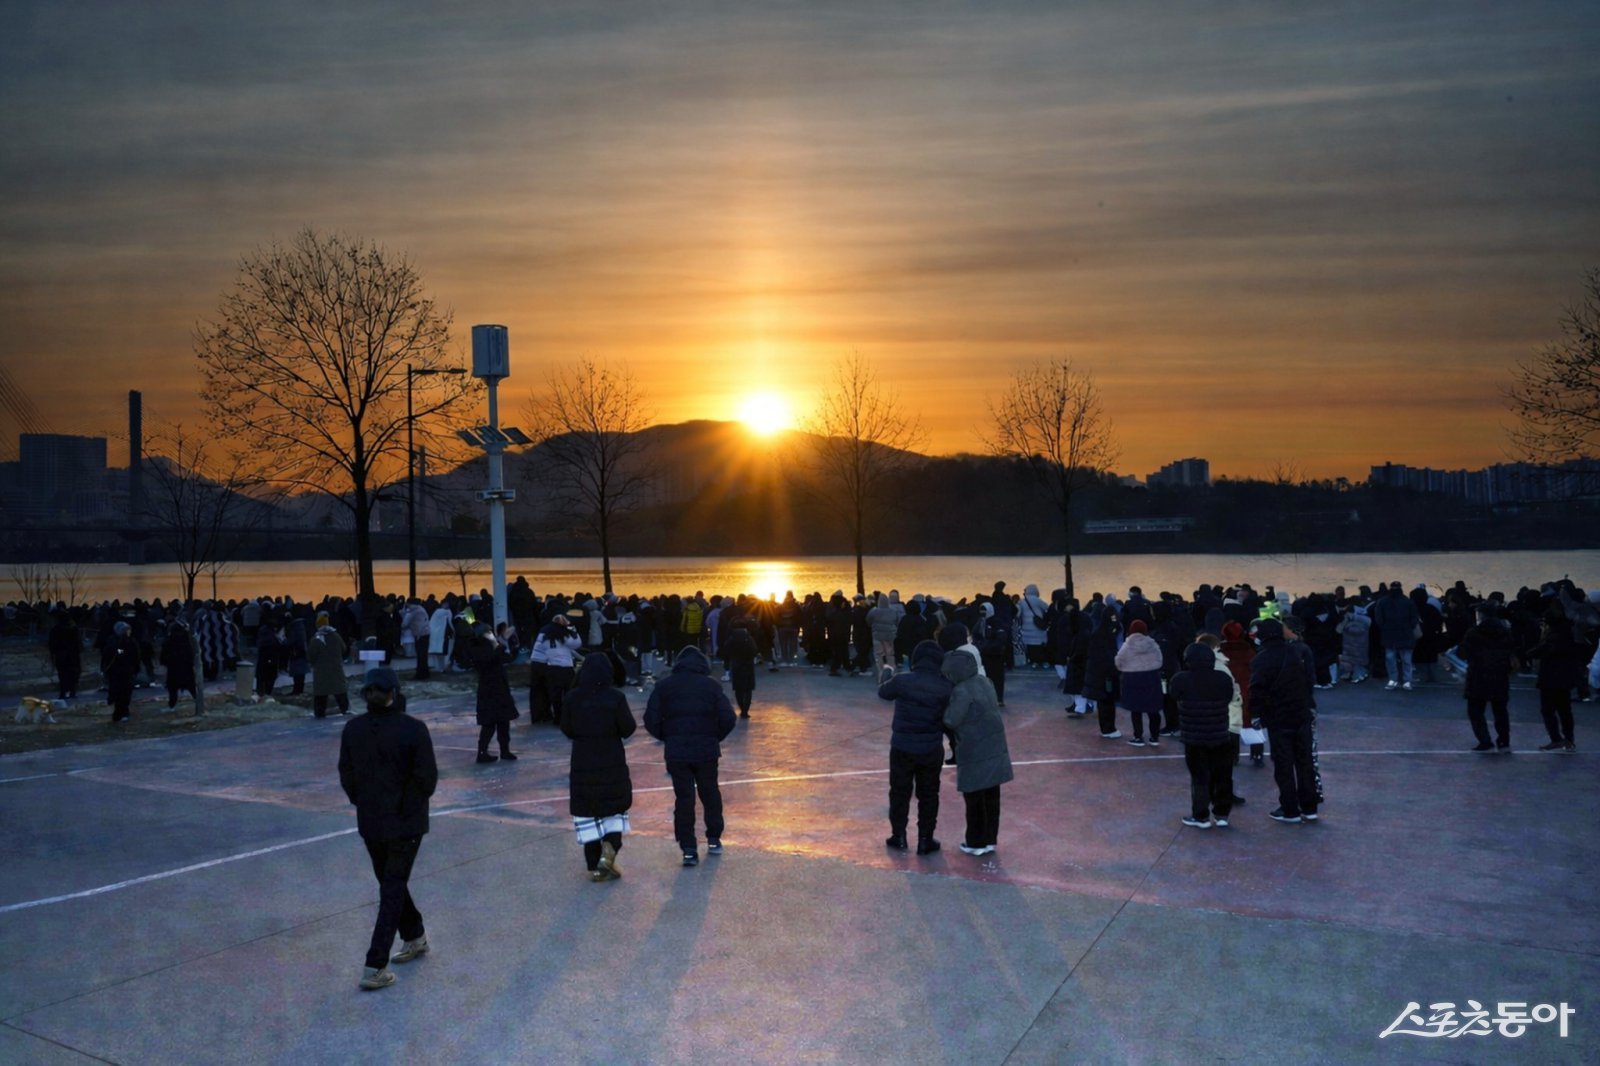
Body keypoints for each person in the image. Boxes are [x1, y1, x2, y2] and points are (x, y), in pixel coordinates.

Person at [337, 667, 438, 991]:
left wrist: (364, 801)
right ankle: (377, 963)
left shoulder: (353, 729)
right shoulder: (413, 729)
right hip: (404, 824)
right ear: (394, 693)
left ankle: (411, 939)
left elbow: (346, 774)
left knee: (391, 885)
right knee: (392, 887)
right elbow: (427, 779)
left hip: (373, 822)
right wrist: (405, 808)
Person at [643, 646, 737, 866]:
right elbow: (728, 718)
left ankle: (688, 848)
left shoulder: (664, 686)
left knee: (684, 798)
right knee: (710, 793)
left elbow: (650, 719)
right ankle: (714, 837)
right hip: (706, 749)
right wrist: (715, 736)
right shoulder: (711, 686)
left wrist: (667, 736)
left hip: (677, 751)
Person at [560, 653, 637, 881]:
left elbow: (566, 728)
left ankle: (594, 864)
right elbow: (628, 728)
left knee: (588, 811)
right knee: (614, 808)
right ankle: (610, 848)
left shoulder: (572, 697)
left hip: (583, 761)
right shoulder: (616, 697)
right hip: (611, 761)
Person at [878, 640, 953, 855]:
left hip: (902, 746)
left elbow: (883, 693)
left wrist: (886, 673)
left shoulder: (902, 681)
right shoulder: (946, 687)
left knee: (899, 792)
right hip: (930, 747)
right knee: (929, 794)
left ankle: (899, 835)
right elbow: (950, 719)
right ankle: (925, 839)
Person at [942, 640, 1012, 856]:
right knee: (992, 797)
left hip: (974, 750)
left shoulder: (962, 690)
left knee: (974, 798)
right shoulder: (984, 681)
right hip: (995, 748)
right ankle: (989, 839)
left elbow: (951, 720)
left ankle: (975, 842)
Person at [1249, 619, 1319, 824]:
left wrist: (1256, 714)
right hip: (1301, 713)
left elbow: (1257, 689)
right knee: (1305, 761)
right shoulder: (1296, 652)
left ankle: (1290, 809)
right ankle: (1310, 806)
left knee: (1283, 764)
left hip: (1278, 716)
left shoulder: (1261, 658)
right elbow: (1308, 681)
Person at [1170, 642, 1236, 829]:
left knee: (1199, 777)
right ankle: (1222, 814)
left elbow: (1173, 696)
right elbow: (1229, 697)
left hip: (1194, 737)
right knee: (1223, 776)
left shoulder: (1181, 679)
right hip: (1220, 734)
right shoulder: (1223, 678)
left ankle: (1201, 816)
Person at [1459, 602, 1515, 753]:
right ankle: (1504, 741)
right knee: (1500, 711)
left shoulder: (1473, 633)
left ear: (1481, 615)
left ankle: (1485, 741)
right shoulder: (1505, 632)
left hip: (1478, 674)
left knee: (1476, 711)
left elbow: (1464, 652)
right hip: (1499, 674)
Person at [1529, 612, 1581, 752]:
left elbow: (1541, 651)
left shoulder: (1553, 636)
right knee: (1565, 710)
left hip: (1550, 676)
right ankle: (1569, 739)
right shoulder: (1569, 634)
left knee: (1548, 710)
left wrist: (1527, 652)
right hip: (1564, 677)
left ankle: (1556, 738)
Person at [468, 626, 520, 763]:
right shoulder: (478, 648)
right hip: (489, 689)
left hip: (500, 688)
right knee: (489, 724)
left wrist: (509, 645)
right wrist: (498, 645)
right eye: (488, 632)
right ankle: (482, 752)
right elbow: (488, 660)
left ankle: (505, 750)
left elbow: (507, 658)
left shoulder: (492, 646)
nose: (490, 634)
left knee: (504, 722)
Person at [1114, 619, 1164, 747]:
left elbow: (1119, 660)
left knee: (1136, 709)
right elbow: (1160, 660)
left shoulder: (1127, 645)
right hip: (1151, 677)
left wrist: (1125, 668)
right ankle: (1154, 737)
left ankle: (1138, 737)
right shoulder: (1152, 643)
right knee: (1153, 708)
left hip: (1132, 678)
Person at [1371, 581, 1420, 691]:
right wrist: (1408, 627)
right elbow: (1414, 619)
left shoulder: (1383, 601)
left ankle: (1393, 679)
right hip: (1405, 634)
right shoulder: (1408, 602)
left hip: (1389, 634)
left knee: (1390, 659)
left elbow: (1378, 618)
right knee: (1406, 660)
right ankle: (1407, 681)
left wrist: (1384, 627)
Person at [309, 612, 350, 717]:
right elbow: (344, 649)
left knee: (321, 695)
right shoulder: (336, 636)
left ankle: (319, 714)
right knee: (340, 691)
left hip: (321, 672)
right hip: (336, 669)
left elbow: (311, 656)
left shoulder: (316, 638)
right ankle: (345, 710)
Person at [105, 620, 140, 724]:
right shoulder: (113, 640)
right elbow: (112, 653)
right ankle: (119, 713)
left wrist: (135, 667)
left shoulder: (131, 641)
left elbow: (135, 654)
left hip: (127, 670)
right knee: (118, 692)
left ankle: (124, 712)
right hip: (117, 671)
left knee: (126, 693)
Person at [722, 620, 758, 718]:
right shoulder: (748, 638)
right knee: (748, 689)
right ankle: (745, 710)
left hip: (736, 665)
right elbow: (754, 650)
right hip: (748, 665)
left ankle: (742, 708)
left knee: (738, 689)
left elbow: (726, 651)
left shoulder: (731, 638)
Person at [48, 609, 83, 700]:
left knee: (63, 674)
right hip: (73, 655)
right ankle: (72, 691)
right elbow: (78, 642)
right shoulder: (73, 628)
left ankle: (63, 693)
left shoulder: (56, 629)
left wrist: (52, 652)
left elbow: (52, 643)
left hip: (62, 655)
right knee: (73, 674)